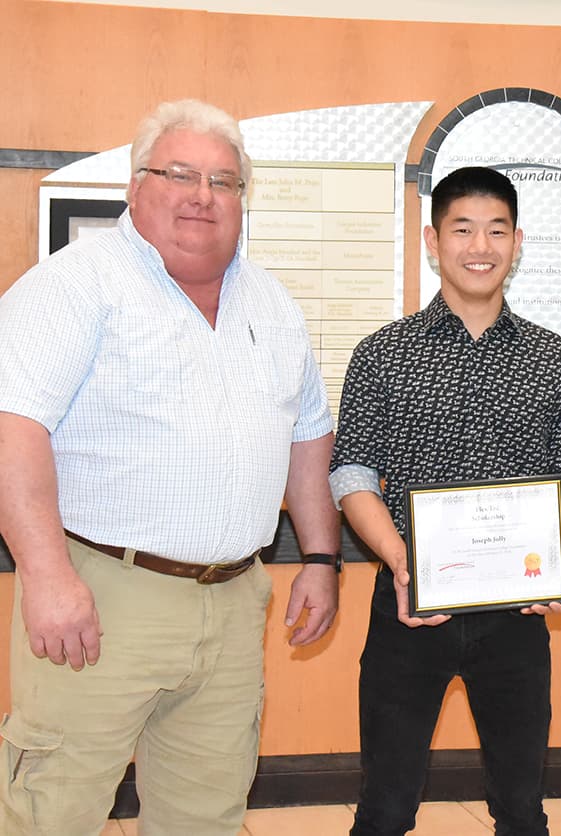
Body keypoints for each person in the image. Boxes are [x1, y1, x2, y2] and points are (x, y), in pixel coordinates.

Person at [0, 99, 341, 836]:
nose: (202, 196)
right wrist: (48, 576)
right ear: (135, 183)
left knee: (207, 816)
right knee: (52, 811)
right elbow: (12, 428)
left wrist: (319, 556)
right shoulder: (74, 286)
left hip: (232, 600)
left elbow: (308, 436)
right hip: (100, 598)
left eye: (224, 181)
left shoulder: (274, 304)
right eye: (180, 174)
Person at [330, 166, 561, 836]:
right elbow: (352, 473)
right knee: (386, 807)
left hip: (516, 614)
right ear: (432, 239)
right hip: (409, 605)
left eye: (497, 230)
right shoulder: (383, 354)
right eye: (463, 229)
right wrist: (398, 560)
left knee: (521, 809)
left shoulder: (552, 358)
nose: (481, 245)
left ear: (517, 241)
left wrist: (556, 560)